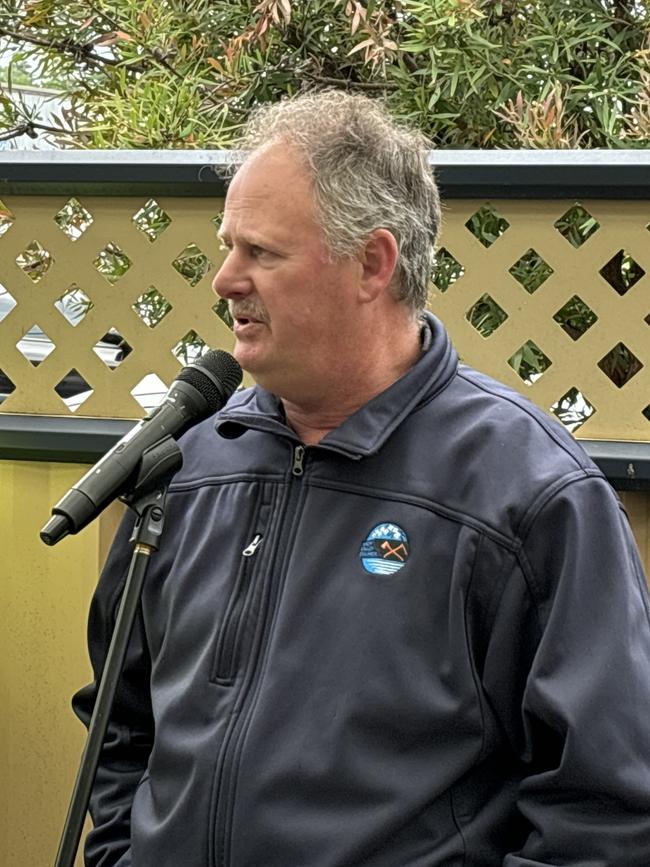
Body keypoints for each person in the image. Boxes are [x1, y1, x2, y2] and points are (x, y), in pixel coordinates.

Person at [73, 91, 650, 866]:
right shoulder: (192, 466)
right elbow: (121, 724)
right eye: (227, 245)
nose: (224, 279)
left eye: (261, 252)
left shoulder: (530, 492)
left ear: (372, 262)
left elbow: (606, 809)